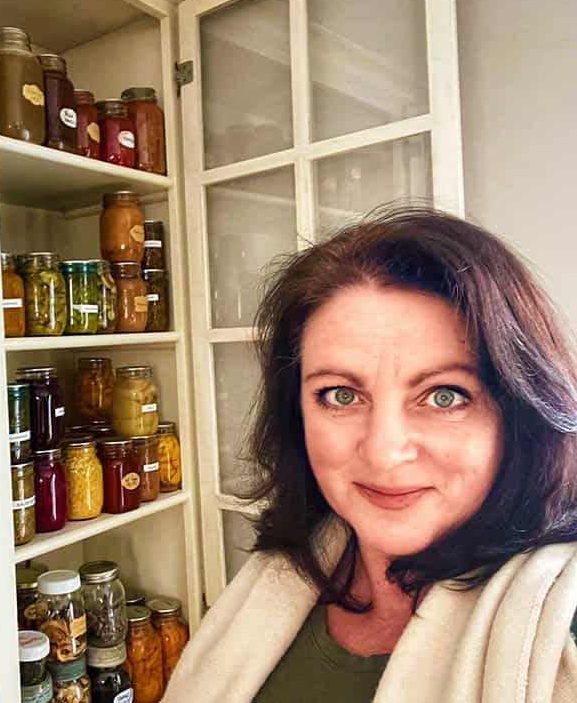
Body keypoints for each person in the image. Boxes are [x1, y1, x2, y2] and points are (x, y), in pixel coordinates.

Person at [163, 207, 577, 702]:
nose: (384, 453)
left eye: (445, 395)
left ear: (519, 412)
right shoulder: (277, 577)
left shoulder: (561, 616)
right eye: (340, 395)